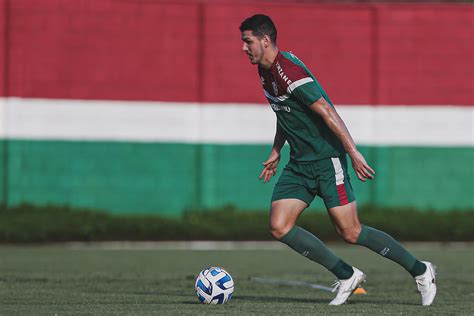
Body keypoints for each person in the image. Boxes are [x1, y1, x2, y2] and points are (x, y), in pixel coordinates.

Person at [239, 14, 437, 306]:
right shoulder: (264, 71)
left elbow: (328, 112)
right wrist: (277, 150)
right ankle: (346, 275)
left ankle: (421, 271)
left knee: (351, 231)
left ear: (265, 40)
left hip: (327, 160)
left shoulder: (289, 73)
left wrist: (353, 152)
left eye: (248, 41)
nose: (244, 48)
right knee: (280, 226)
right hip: (299, 164)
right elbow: (285, 113)